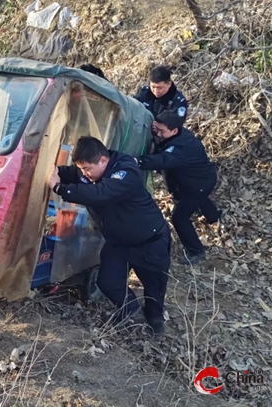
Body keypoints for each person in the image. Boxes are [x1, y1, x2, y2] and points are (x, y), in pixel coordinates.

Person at [47, 136, 171, 336]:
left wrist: (59, 188)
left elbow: (100, 194)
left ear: (103, 161)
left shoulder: (125, 171)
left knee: (154, 290)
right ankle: (129, 308)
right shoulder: (87, 172)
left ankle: (155, 324)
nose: (85, 174)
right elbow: (71, 173)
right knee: (108, 281)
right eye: (82, 169)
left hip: (149, 241)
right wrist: (55, 172)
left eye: (88, 169)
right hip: (119, 242)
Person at [138, 110, 220, 265]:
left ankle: (196, 251)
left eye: (162, 131)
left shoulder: (183, 146)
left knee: (179, 217)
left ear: (174, 130)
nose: (159, 134)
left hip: (198, 184)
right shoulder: (175, 134)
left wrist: (137, 162)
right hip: (192, 182)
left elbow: (163, 160)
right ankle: (214, 217)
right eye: (158, 130)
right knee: (198, 200)